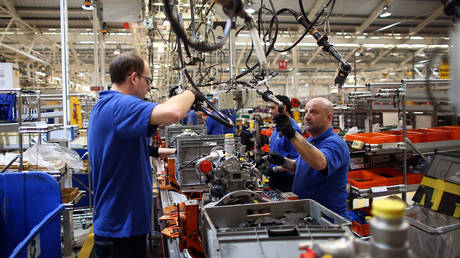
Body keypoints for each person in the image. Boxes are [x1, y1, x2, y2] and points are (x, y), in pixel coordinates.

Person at [88, 53, 200, 257]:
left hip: (121, 228)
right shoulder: (120, 106)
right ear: (133, 78)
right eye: (148, 81)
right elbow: (174, 113)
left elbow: (161, 112)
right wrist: (191, 94)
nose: (149, 87)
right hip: (120, 233)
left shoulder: (108, 106)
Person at [268, 97, 350, 219]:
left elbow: (320, 163)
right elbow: (301, 167)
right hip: (309, 213)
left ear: (329, 117)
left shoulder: (335, 143)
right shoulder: (312, 140)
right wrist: (283, 162)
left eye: (314, 112)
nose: (307, 116)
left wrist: (293, 135)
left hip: (328, 218)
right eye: (306, 111)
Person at [264, 95, 301, 192]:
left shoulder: (293, 130)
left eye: (273, 108)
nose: (270, 111)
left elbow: (296, 161)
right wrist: (263, 159)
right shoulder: (278, 127)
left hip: (286, 182)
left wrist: (275, 169)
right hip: (275, 178)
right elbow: (277, 152)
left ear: (283, 107)